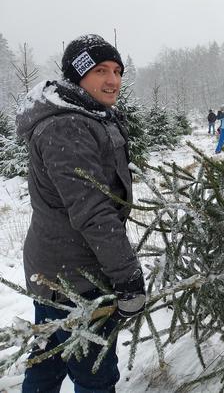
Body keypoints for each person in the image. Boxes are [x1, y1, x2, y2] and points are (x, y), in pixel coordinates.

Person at [16, 34, 145, 392]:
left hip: (61, 266)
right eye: (101, 70)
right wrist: (127, 275)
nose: (113, 80)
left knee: (49, 360)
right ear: (77, 76)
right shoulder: (67, 125)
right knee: (95, 373)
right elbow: (92, 209)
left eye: (118, 71)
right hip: (74, 275)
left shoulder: (90, 115)